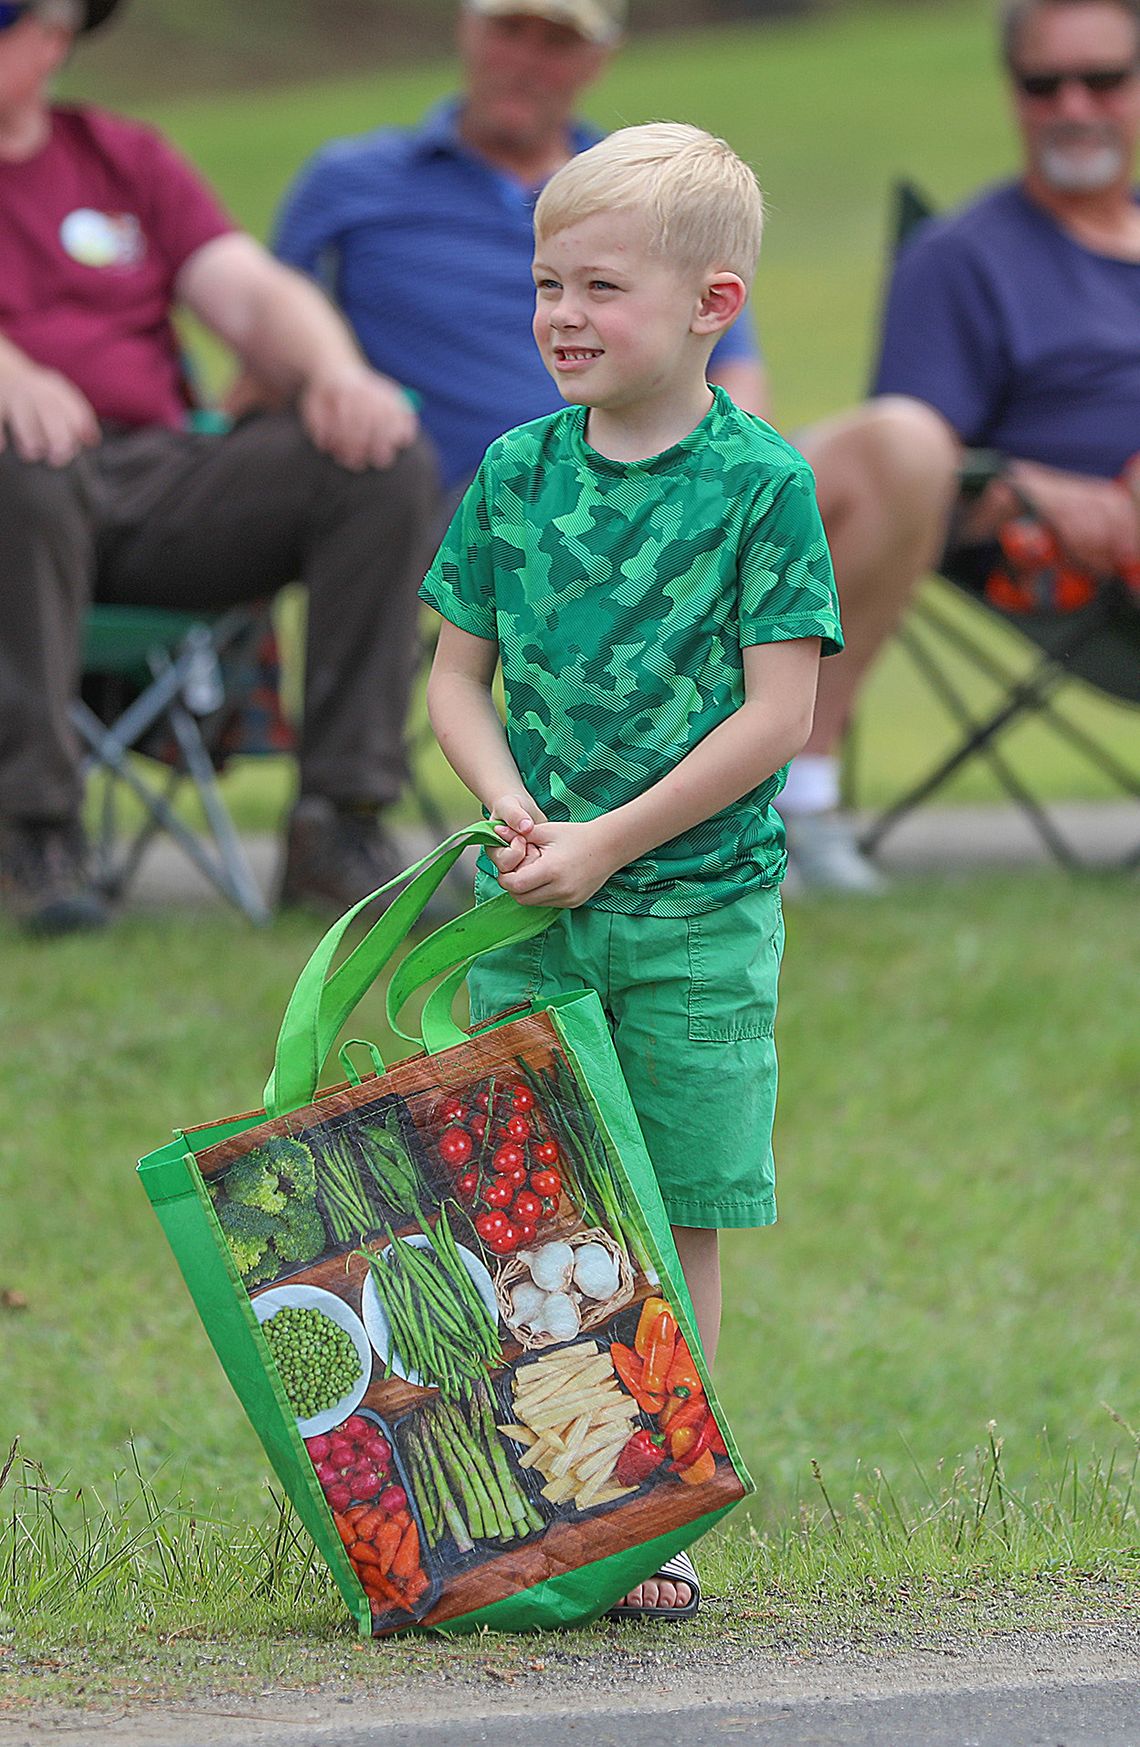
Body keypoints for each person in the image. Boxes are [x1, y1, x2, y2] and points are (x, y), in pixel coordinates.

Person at [421, 123, 842, 1619]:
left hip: (692, 919)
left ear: (711, 304)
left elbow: (778, 713)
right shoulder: (516, 472)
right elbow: (456, 679)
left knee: (665, 1214)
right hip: (533, 902)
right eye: (547, 281)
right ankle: (553, 1499)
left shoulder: (760, 487)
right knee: (532, 1216)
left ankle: (650, 1509)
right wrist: (519, 810)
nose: (563, 314)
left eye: (602, 284)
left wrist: (609, 841)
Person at [0, 0, 440, 937]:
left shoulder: (121, 157)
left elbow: (248, 288)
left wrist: (334, 373)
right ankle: (30, 832)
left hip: (149, 479)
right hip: (16, 496)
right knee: (21, 457)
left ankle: (339, 826)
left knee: (376, 458)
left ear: (53, 39)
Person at [784, 0, 1140, 891]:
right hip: (1059, 555)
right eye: (1043, 82)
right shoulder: (963, 260)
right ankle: (793, 806)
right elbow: (910, 467)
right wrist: (1037, 484)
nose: (1074, 105)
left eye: (1103, 78)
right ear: (1012, 93)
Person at [271, 0, 768, 499]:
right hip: (425, 500)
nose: (524, 62)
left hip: (621, 492)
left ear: (598, 58)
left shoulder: (646, 193)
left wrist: (712, 489)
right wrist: (333, 373)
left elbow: (731, 364)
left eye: (556, 42)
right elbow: (270, 317)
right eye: (508, 30)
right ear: (468, 30)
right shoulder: (351, 181)